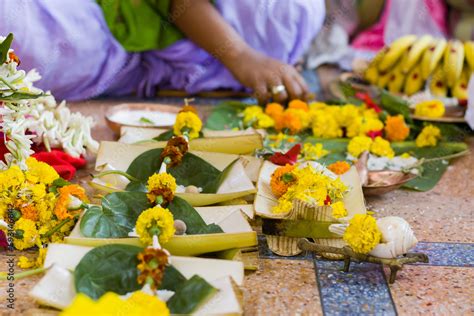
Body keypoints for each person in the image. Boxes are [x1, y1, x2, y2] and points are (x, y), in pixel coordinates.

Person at [0, 0, 325, 103]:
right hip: (108, 18)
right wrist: (239, 56)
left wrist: (242, 58)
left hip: (107, 49)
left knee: (16, 32)